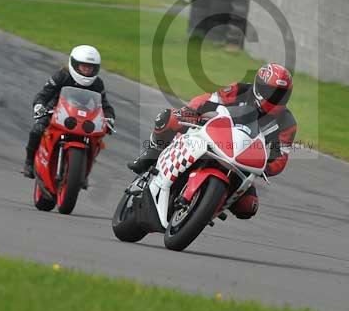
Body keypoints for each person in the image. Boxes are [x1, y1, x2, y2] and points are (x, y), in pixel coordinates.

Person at [127, 63, 297, 220]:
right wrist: (191, 111)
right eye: (272, 92)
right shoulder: (239, 90)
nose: (276, 98)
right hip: (213, 137)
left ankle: (210, 206)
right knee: (169, 117)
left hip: (241, 162)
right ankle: (151, 154)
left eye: (281, 94)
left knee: (248, 206)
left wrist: (266, 167)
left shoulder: (287, 123)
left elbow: (281, 155)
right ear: (259, 87)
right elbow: (209, 99)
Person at [23, 45, 115, 178]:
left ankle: (83, 170)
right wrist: (39, 106)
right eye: (84, 66)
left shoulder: (97, 83)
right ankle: (29, 163)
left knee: (97, 140)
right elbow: (43, 95)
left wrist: (109, 117)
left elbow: (105, 105)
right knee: (37, 129)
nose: (87, 70)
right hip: (56, 111)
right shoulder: (62, 76)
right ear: (75, 64)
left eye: (90, 67)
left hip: (84, 118)